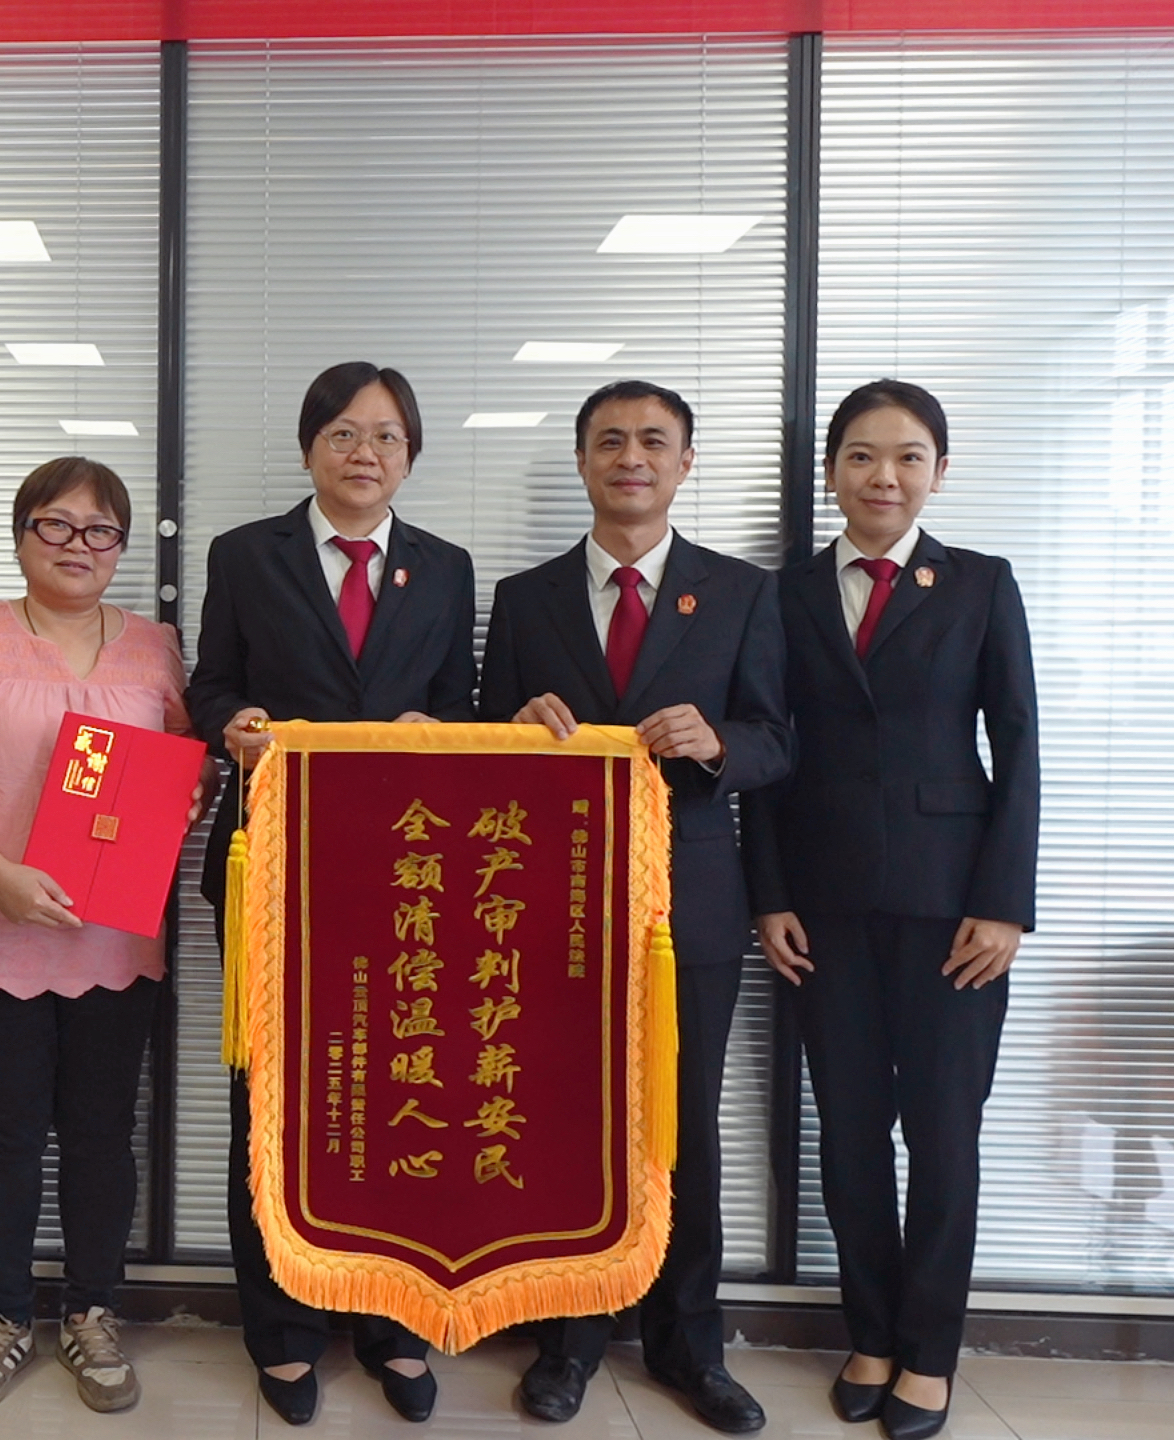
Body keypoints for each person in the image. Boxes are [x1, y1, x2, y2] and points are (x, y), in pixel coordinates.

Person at [477, 379, 790, 1435]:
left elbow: (779, 739)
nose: (631, 457)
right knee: (565, 1121)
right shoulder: (525, 598)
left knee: (681, 1128)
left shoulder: (740, 593)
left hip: (688, 908)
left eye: (654, 440)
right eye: (609, 440)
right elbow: (482, 745)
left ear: (685, 463)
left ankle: (689, 1347)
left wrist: (719, 743)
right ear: (582, 461)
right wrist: (516, 728)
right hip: (553, 907)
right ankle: (567, 1341)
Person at [742, 380, 1039, 1440]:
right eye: (862, 456)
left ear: (939, 473)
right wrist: (769, 895)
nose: (884, 476)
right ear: (831, 472)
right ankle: (869, 1334)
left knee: (944, 1132)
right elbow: (764, 750)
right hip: (822, 910)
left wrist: (1004, 905)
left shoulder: (980, 583)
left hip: (953, 911)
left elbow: (1019, 743)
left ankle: (931, 1351)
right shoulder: (782, 595)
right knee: (852, 1129)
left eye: (909, 456)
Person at [187, 360, 478, 1426]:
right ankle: (282, 1331)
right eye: (345, 433)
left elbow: (462, 708)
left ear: (411, 455)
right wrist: (232, 725)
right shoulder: (244, 554)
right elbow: (210, 686)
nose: (366, 453)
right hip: (274, 862)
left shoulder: (445, 567)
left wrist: (435, 735)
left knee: (402, 1091)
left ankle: (393, 1323)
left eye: (388, 436)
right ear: (311, 447)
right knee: (270, 1101)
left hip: (406, 876)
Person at [0, 457, 204, 1418]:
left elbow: (187, 764)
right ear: (22, 532)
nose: (79, 545)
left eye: (100, 530)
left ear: (122, 547)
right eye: (56, 525)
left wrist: (185, 796)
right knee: (6, 1135)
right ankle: (2, 1315)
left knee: (103, 1136)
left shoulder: (155, 647)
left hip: (114, 939)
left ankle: (92, 1313)